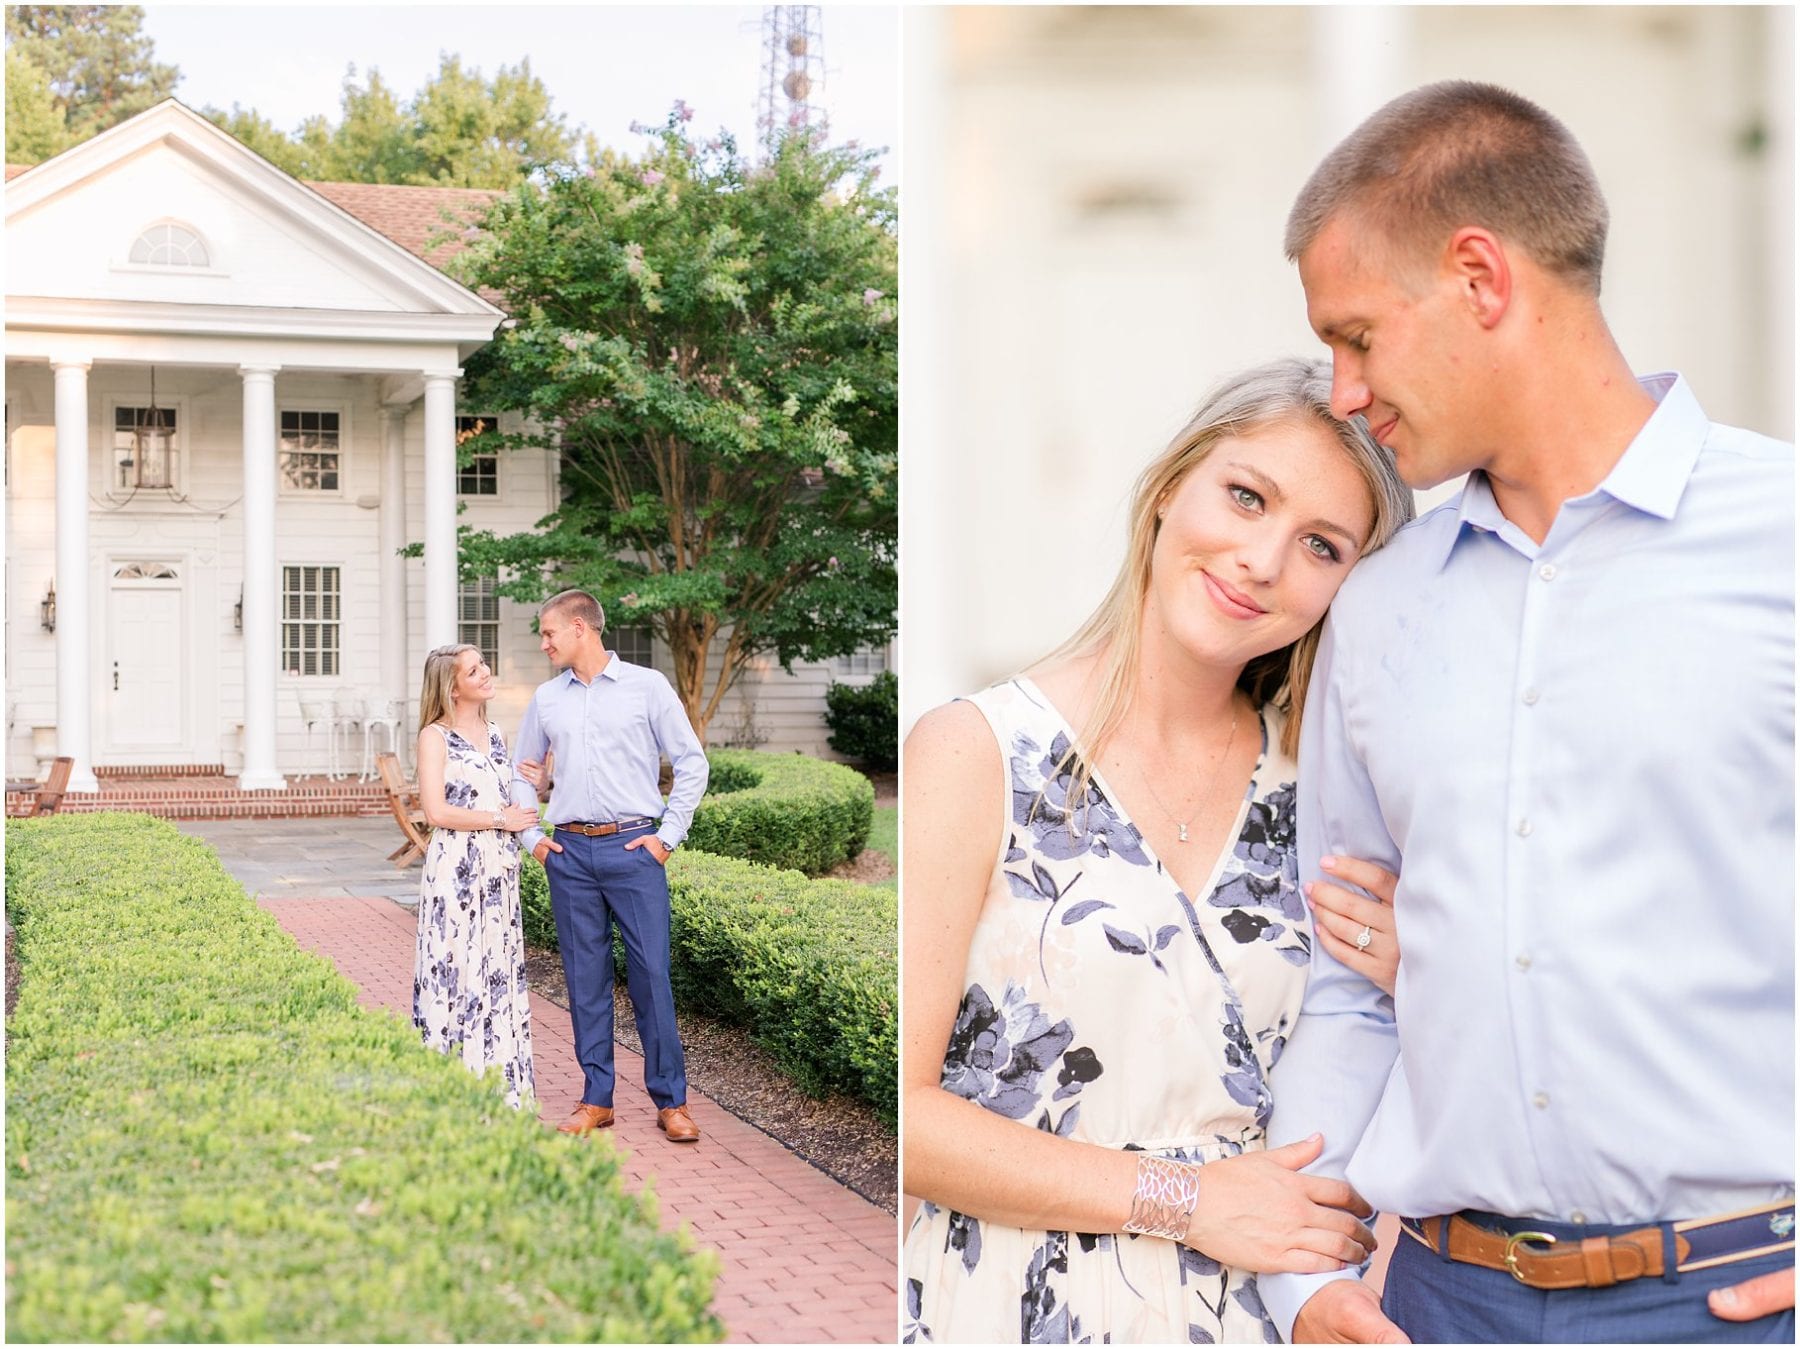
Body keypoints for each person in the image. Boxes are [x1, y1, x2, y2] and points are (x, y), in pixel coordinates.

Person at [1259, 81, 1795, 1345]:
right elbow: (1351, 986)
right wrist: (1305, 1280)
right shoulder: (1377, 608)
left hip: (1733, 1305)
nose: (1343, 391)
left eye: (1359, 337)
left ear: (1481, 279)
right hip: (1440, 1304)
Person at [902, 357, 1416, 1343]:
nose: (1262, 558)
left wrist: (1424, 969)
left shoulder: (1327, 795)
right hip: (1008, 1307)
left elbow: (1374, 1088)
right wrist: (1186, 1199)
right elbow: (907, 1117)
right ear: (1169, 487)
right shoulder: (974, 753)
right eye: (1245, 495)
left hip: (1253, 1316)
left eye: (1320, 543)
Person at [510, 589, 710, 1143]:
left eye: (549, 633)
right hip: (570, 854)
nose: (544, 643)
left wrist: (666, 837)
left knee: (651, 977)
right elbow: (520, 772)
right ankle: (597, 1098)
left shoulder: (648, 687)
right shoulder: (547, 700)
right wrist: (532, 837)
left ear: (580, 627)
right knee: (585, 980)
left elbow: (693, 763)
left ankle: (672, 1101)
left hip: (634, 850)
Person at [411, 643, 540, 1111]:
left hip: (498, 870)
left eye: (484, 663)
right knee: (456, 968)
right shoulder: (435, 737)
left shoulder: (496, 731)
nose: (486, 672)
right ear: (452, 686)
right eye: (474, 669)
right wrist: (499, 820)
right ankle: (451, 1088)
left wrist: (535, 782)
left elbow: (510, 799)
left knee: (496, 970)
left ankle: (502, 1089)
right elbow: (435, 811)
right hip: (456, 870)